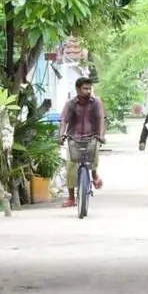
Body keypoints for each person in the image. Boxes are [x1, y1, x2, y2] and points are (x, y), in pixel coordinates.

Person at [59, 77, 105, 208]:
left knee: (94, 159)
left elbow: (101, 118)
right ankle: (71, 197)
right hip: (74, 137)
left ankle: (94, 174)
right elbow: (64, 121)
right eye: (85, 88)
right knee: (70, 166)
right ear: (77, 89)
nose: (88, 91)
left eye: (89, 88)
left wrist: (100, 135)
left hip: (92, 136)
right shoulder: (70, 104)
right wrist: (61, 135)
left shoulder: (96, 102)